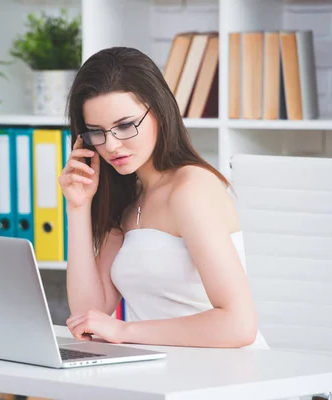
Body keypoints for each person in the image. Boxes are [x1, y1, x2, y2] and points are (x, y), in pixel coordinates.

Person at [58, 46, 269, 349]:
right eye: (97, 132)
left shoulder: (191, 189)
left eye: (125, 126)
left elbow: (238, 325)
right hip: (164, 373)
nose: (112, 145)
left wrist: (124, 331)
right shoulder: (129, 197)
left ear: (158, 111)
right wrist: (78, 208)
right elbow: (87, 315)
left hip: (229, 374)